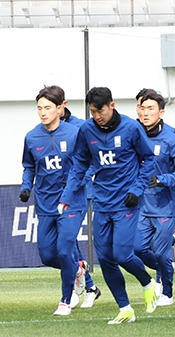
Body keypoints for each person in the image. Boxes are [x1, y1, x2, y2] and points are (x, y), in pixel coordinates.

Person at [60, 87, 158, 323]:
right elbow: (79, 165)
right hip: (102, 202)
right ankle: (125, 309)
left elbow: (149, 159)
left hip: (126, 202)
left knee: (123, 254)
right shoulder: (86, 130)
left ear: (111, 105)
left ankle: (147, 282)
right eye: (92, 111)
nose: (97, 116)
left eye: (100, 110)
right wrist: (66, 196)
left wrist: (137, 188)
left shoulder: (131, 128)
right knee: (105, 259)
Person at [20, 86, 100, 316]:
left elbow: (88, 163)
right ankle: (78, 269)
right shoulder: (32, 136)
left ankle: (65, 301)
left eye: (47, 108)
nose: (43, 112)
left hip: (72, 201)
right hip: (45, 202)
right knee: (47, 255)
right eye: (39, 108)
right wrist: (27, 187)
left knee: (65, 250)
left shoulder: (75, 133)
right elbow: (28, 166)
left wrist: (75, 185)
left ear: (59, 108)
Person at [133, 90, 175, 306]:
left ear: (161, 112)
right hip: (140, 203)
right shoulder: (132, 133)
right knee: (137, 250)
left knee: (159, 251)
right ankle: (168, 257)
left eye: (150, 108)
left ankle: (167, 291)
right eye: (142, 108)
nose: (145, 113)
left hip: (165, 205)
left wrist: (162, 180)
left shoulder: (169, 138)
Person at [50, 85, 101, 308]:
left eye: (52, 106)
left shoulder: (80, 127)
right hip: (53, 195)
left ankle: (84, 282)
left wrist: (82, 179)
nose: (47, 111)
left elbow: (93, 159)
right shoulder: (45, 131)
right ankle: (88, 283)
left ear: (63, 105)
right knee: (64, 244)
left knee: (67, 240)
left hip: (79, 193)